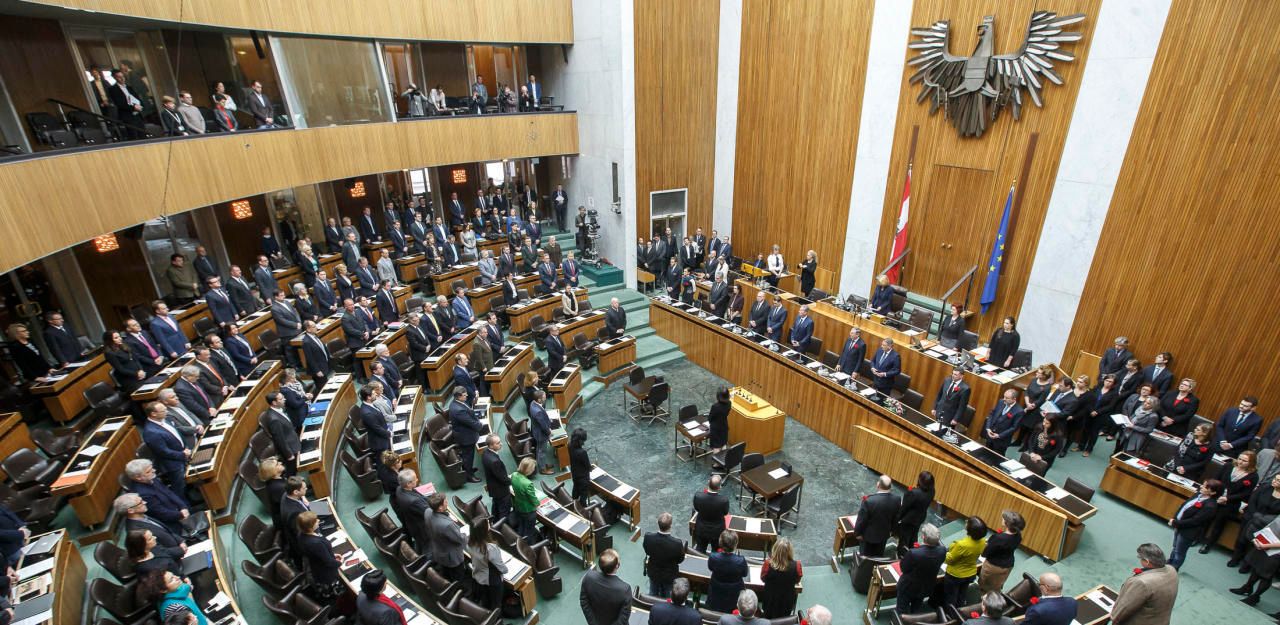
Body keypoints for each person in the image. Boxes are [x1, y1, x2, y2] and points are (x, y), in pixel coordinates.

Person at [1201, 451, 1258, 553]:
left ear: (1251, 463)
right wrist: (1216, 495)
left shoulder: (1253, 476)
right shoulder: (1228, 466)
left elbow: (1246, 494)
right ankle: (1199, 537)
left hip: (1231, 503)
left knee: (1219, 524)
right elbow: (1216, 480)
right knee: (1206, 518)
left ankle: (1208, 544)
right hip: (1215, 497)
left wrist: (1227, 498)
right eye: (1240, 459)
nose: (1240, 462)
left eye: (1244, 461)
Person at [1110, 544, 1178, 625]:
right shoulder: (1172, 570)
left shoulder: (1142, 583)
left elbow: (1125, 609)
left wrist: (1114, 619)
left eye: (1140, 558)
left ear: (1147, 561)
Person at [1167, 479, 1221, 569]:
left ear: (1213, 492)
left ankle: (1174, 568)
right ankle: (1170, 563)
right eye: (1203, 485)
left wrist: (1176, 523)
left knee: (1179, 552)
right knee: (1175, 547)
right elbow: (1184, 506)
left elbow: (1195, 521)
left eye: (1205, 487)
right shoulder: (1198, 494)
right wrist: (1176, 519)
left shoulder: (1210, 506)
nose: (1201, 487)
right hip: (1180, 525)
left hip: (1188, 531)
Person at [295, 511, 348, 604]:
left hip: (316, 566)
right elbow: (329, 562)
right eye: (315, 521)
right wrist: (340, 562)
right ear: (310, 527)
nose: (318, 520)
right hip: (326, 575)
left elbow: (317, 554)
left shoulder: (301, 535)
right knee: (334, 596)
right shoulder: (316, 543)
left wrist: (330, 554)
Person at [1230, 513, 1280, 606]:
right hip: (1267, 543)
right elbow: (1272, 525)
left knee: (1266, 575)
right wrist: (1258, 538)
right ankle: (1247, 587)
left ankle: (1255, 597)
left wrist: (1266, 545)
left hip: (1276, 551)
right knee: (1256, 567)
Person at [896, 524, 945, 616]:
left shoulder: (914, 553)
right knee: (916, 609)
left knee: (902, 610)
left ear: (923, 537)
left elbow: (903, 568)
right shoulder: (942, 551)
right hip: (926, 586)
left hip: (908, 587)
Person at [142, 402, 190, 492]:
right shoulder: (151, 432)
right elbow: (163, 452)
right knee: (180, 488)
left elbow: (176, 433)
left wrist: (185, 447)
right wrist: (182, 454)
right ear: (153, 414)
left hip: (182, 453)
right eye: (163, 411)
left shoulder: (164, 419)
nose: (167, 412)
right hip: (173, 464)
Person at [942, 516, 988, 607]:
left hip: (955, 575)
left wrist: (947, 550)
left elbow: (949, 560)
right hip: (970, 573)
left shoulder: (961, 545)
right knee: (962, 594)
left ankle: (951, 613)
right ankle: (961, 608)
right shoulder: (983, 541)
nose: (966, 521)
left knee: (951, 596)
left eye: (968, 522)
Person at [978, 510, 1025, 594]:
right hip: (1008, 565)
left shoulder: (998, 538)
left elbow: (985, 553)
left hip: (994, 567)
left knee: (985, 588)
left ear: (1007, 523)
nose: (1002, 519)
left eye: (1003, 519)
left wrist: (988, 544)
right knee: (997, 586)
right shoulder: (1018, 535)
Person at [580, 548, 631, 625]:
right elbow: (623, 618)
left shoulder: (588, 577)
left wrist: (592, 622)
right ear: (617, 566)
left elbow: (584, 601)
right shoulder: (625, 589)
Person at [854, 475, 900, 556]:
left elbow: (862, 520)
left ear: (878, 485)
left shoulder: (869, 501)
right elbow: (896, 518)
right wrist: (892, 531)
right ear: (890, 487)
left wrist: (857, 533)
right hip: (884, 535)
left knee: (865, 558)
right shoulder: (897, 499)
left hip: (868, 537)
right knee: (879, 555)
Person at [139, 571, 208, 625]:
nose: (177, 577)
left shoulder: (174, 592)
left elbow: (186, 587)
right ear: (163, 590)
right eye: (172, 579)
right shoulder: (174, 608)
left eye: (173, 575)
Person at [467, 517, 507, 609]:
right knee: (496, 604)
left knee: (486, 600)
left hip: (478, 575)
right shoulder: (490, 548)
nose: (489, 523)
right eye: (488, 523)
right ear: (483, 530)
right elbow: (501, 567)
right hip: (492, 580)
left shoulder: (469, 542)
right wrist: (506, 570)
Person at [642, 512, 685, 597]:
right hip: (669, 576)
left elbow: (647, 551)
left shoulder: (648, 537)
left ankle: (651, 603)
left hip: (653, 572)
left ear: (658, 524)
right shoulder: (677, 544)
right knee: (668, 597)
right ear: (670, 525)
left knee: (653, 593)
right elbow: (680, 560)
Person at [448, 386, 483, 483]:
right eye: (464, 395)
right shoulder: (458, 410)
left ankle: (468, 469)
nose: (467, 395)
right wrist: (480, 425)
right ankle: (469, 476)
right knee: (468, 456)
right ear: (459, 396)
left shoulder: (457, 403)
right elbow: (470, 422)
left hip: (464, 433)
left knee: (467, 455)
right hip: (465, 437)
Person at [707, 531, 749, 613]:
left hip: (716, 593)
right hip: (734, 596)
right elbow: (745, 574)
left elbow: (710, 568)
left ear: (720, 542)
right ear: (735, 544)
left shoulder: (713, 557)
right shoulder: (741, 560)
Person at [760, 537, 802, 618]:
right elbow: (797, 580)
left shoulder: (767, 564)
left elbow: (763, 578)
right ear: (790, 551)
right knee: (784, 619)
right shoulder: (797, 565)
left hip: (770, 599)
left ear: (775, 549)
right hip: (787, 600)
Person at [260, 392, 300, 475]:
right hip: (291, 449)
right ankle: (292, 482)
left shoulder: (277, 411)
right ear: (274, 403)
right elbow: (279, 439)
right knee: (292, 470)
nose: (284, 399)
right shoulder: (274, 420)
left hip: (293, 440)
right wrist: (289, 454)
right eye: (281, 399)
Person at [391, 470, 432, 552]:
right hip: (421, 528)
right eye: (415, 479)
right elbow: (429, 512)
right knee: (428, 547)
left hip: (411, 522)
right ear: (408, 484)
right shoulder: (414, 501)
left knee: (420, 544)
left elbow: (416, 494)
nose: (417, 479)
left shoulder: (399, 489)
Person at [896, 471, 934, 556]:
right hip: (920, 517)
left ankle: (902, 555)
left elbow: (904, 507)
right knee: (914, 534)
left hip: (909, 520)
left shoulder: (913, 493)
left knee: (904, 538)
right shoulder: (932, 491)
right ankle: (913, 551)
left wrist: (898, 519)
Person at [1018, 364, 1055, 449]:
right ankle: (1018, 441)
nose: (1036, 373)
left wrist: (1030, 406)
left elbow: (1040, 400)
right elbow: (1027, 391)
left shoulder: (1047, 387)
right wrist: (1027, 403)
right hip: (1027, 404)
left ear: (1044, 376)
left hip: (1035, 410)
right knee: (1022, 425)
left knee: (1030, 428)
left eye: (1039, 372)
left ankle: (1025, 445)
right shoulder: (1034, 380)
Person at [1083, 374, 1121, 457]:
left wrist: (1097, 412)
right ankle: (1081, 446)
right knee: (1085, 430)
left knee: (1094, 433)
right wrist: (1091, 410)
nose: (1108, 382)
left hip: (1101, 416)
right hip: (1089, 412)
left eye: (1110, 382)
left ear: (1114, 384)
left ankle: (1088, 449)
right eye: (1107, 380)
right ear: (1104, 380)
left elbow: (1110, 406)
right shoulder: (1097, 388)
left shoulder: (1115, 394)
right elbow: (1089, 399)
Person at [692, 475, 730, 553]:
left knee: (700, 549)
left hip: (701, 529)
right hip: (717, 531)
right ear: (720, 487)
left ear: (708, 483)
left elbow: (697, 508)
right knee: (716, 551)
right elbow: (725, 513)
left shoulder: (698, 496)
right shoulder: (724, 500)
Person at [481, 434, 511, 521]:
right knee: (504, 512)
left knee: (496, 508)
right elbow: (503, 479)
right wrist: (512, 480)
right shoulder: (495, 462)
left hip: (493, 489)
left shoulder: (485, 452)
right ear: (491, 445)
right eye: (498, 443)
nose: (501, 444)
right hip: (501, 491)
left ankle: (494, 523)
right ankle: (503, 527)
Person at [983, 390, 1023, 455]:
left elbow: (1014, 428)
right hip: (990, 435)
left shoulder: (1019, 411)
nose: (1004, 399)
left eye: (1007, 398)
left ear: (1014, 399)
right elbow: (991, 414)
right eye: (1004, 397)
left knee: (996, 458)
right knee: (985, 453)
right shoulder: (1001, 402)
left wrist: (999, 435)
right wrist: (988, 428)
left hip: (1001, 441)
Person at [511, 458, 540, 542]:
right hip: (528, 510)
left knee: (521, 526)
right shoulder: (528, 484)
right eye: (533, 468)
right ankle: (529, 547)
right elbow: (533, 499)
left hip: (518, 506)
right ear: (529, 470)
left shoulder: (514, 475)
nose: (534, 469)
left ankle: (519, 542)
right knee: (529, 532)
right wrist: (538, 503)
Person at [529, 389, 556, 475]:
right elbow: (543, 425)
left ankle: (542, 464)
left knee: (539, 449)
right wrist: (549, 432)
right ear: (539, 399)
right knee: (542, 451)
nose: (545, 398)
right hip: (541, 434)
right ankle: (542, 469)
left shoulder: (533, 403)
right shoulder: (538, 412)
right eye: (544, 397)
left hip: (536, 431)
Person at [568, 428, 592, 505]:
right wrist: (591, 467)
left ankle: (573, 505)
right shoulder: (582, 453)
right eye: (583, 441)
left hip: (575, 475)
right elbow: (588, 467)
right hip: (583, 479)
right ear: (580, 440)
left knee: (575, 491)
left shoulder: (569, 445)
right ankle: (583, 509)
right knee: (583, 497)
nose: (584, 443)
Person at [707, 388, 731, 452]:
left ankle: (716, 458)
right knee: (723, 444)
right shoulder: (729, 403)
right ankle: (723, 457)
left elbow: (710, 418)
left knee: (716, 447)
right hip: (724, 426)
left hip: (716, 430)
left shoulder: (715, 406)